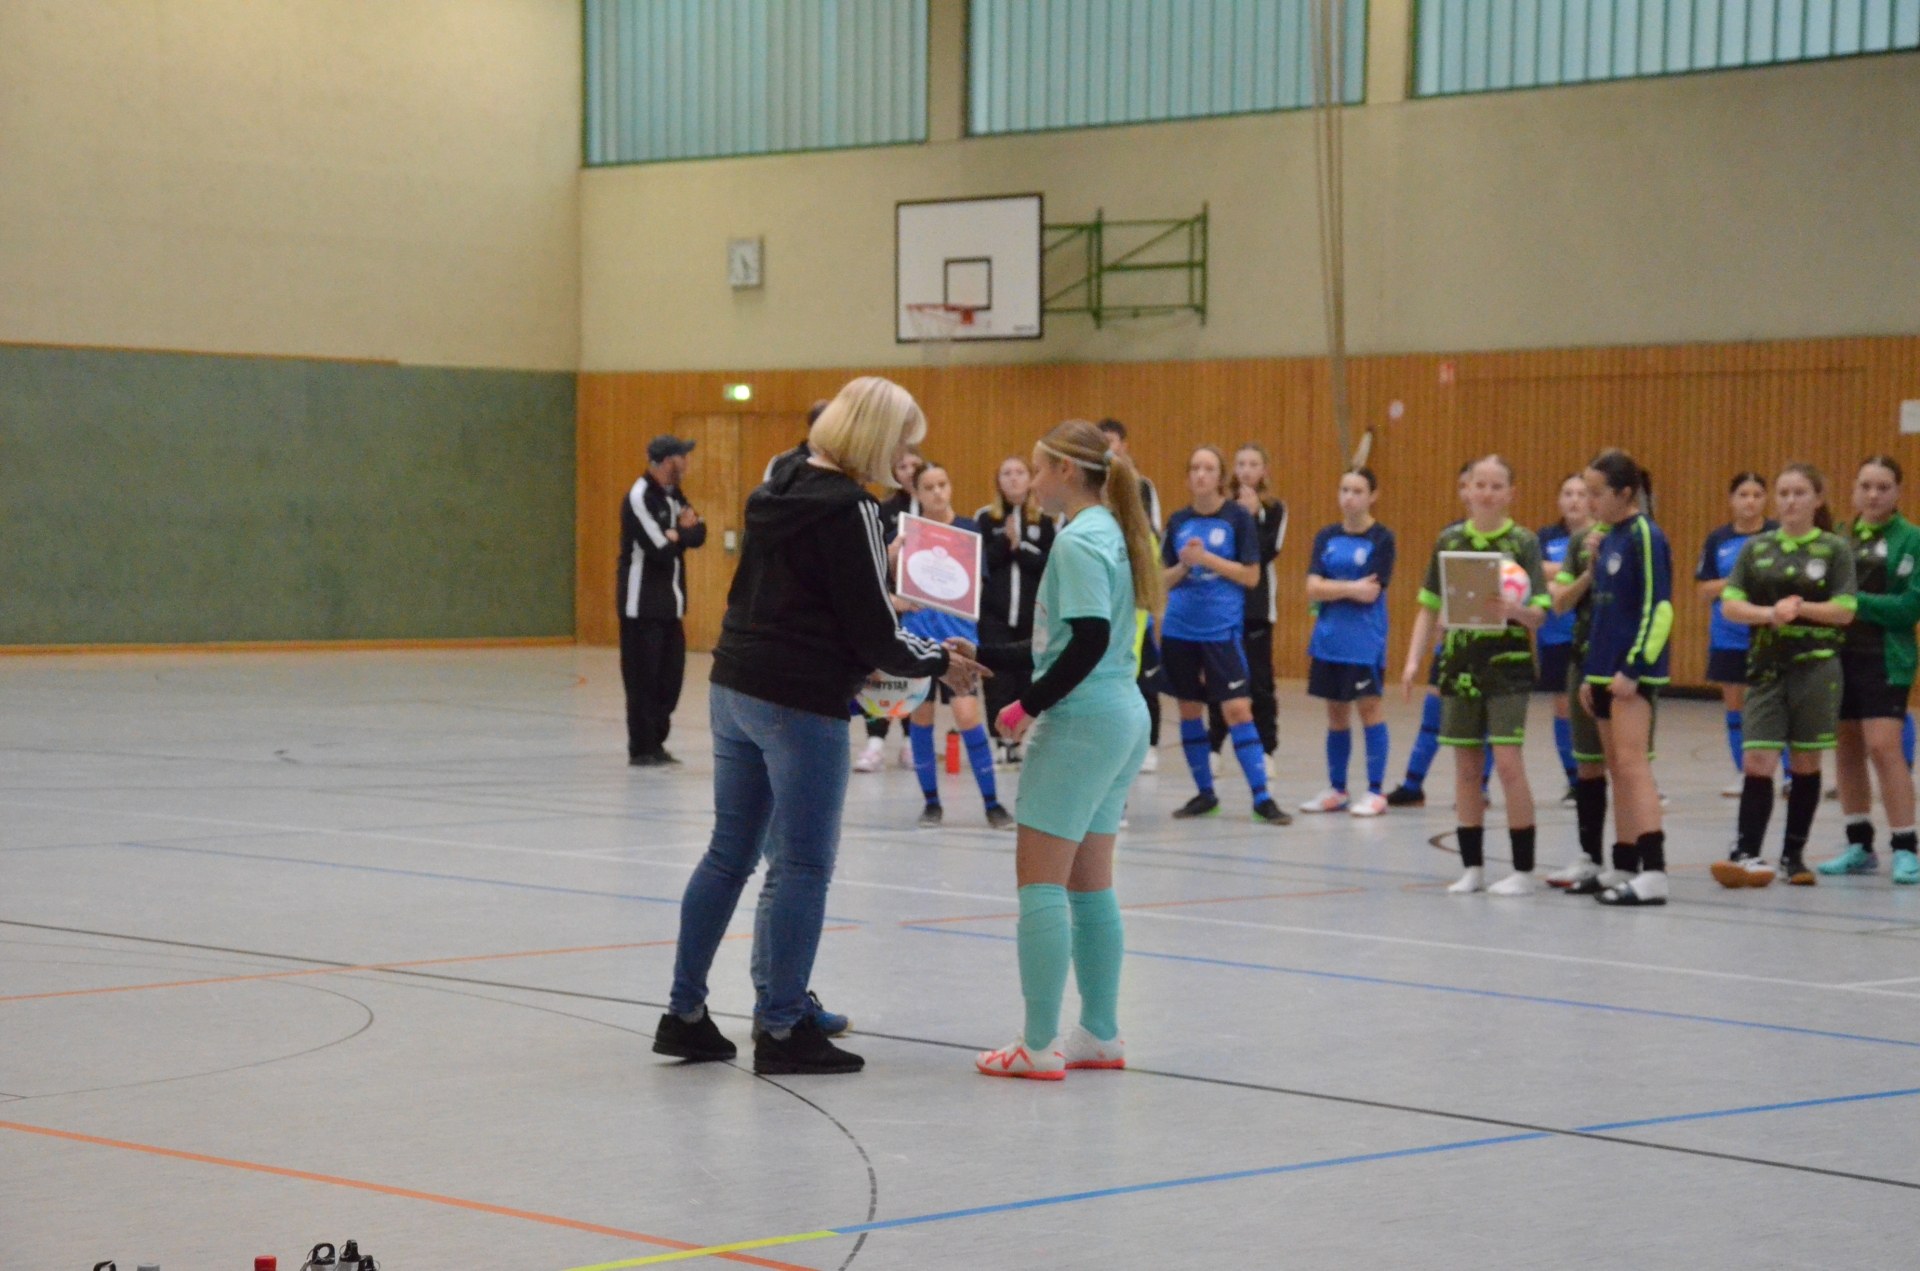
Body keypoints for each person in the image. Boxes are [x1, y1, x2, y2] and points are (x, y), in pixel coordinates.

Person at [652, 376, 985, 1075]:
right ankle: (781, 1026)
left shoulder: (778, 483)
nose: (905, 463)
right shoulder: (852, 508)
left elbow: (793, 598)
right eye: (901, 446)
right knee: (803, 864)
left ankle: (685, 1013)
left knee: (728, 855)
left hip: (734, 685)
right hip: (798, 701)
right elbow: (874, 631)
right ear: (874, 438)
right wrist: (941, 661)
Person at [972, 419, 1163, 1079]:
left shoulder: (1079, 541)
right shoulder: (1111, 531)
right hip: (1122, 715)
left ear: (1066, 472)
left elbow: (1085, 640)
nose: (1031, 481)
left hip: (1083, 724)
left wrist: (1027, 706)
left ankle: (1037, 1044)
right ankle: (1101, 1033)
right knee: (1089, 883)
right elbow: (1061, 641)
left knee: (1041, 882)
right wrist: (985, 656)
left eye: (1038, 468)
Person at [1400, 455, 1550, 894]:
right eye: (1479, 485)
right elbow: (1429, 606)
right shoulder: (1449, 540)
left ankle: (1523, 870)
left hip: (1508, 667)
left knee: (1507, 763)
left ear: (1511, 494)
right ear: (1465, 489)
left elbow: (1541, 613)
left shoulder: (1523, 543)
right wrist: (1412, 661)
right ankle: (1472, 869)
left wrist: (1516, 610)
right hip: (1460, 665)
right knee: (1466, 768)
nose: (1486, 493)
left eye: (1496, 486)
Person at [1712, 463, 1857, 889]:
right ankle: (1746, 852)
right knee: (1758, 758)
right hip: (1766, 667)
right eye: (1784, 493)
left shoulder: (1833, 549)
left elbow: (1845, 610)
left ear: (1817, 499)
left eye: (1799, 493)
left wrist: (1802, 608)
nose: (1790, 501)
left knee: (1805, 761)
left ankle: (1793, 856)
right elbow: (1730, 604)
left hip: (1816, 668)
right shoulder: (1757, 549)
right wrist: (1769, 614)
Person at [1161, 446, 1290, 824]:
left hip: (1221, 630)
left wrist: (1207, 559)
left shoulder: (1237, 518)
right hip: (1180, 630)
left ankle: (1262, 798)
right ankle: (1205, 794)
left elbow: (1251, 575)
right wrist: (1184, 565)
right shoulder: (1178, 521)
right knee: (1189, 710)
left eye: (1209, 468)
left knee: (1237, 709)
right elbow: (1161, 580)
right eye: (1195, 468)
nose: (1201, 474)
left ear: (1220, 477)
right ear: (1188, 477)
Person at [1575, 452, 1674, 907]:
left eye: (1597, 493)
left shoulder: (1645, 536)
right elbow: (1603, 612)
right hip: (1602, 671)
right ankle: (1624, 862)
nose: (1589, 502)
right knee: (1616, 768)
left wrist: (1634, 667)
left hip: (1631, 674)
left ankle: (1654, 872)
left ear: (1625, 493)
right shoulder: (1606, 538)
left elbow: (1659, 607)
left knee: (1634, 766)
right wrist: (1590, 672)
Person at [895, 461, 1015, 830]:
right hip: (917, 635)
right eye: (929, 487)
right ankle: (931, 803)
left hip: (958, 636)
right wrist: (900, 592)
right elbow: (891, 581)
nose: (937, 492)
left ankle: (992, 803)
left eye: (943, 484)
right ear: (916, 492)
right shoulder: (907, 532)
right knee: (921, 717)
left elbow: (976, 583)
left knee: (966, 715)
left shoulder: (967, 530)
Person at [1818, 457, 1920, 884]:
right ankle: (1859, 843)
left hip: (1886, 658)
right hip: (1841, 658)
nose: (1873, 494)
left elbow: (1910, 606)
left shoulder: (1911, 539)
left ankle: (1905, 846)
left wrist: (1854, 603)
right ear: (1854, 490)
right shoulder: (1840, 537)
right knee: (1846, 747)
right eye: (1866, 486)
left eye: (1883, 487)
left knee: (1882, 746)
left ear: (1898, 492)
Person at [1385, 463, 1490, 805]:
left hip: (1488, 643)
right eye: (1463, 486)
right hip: (1451, 640)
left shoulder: (1509, 538)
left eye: (1476, 485)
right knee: (1434, 709)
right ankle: (1413, 785)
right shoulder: (1451, 536)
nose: (1469, 493)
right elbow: (1436, 591)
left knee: (1482, 718)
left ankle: (1481, 787)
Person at [1299, 469, 1395, 816]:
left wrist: (1333, 588)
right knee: (1336, 713)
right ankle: (1337, 789)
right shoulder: (1327, 536)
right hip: (1329, 640)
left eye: (1357, 491)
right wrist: (1351, 587)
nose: (1349, 497)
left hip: (1365, 641)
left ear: (1373, 496)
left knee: (1369, 709)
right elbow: (1312, 588)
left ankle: (1375, 791)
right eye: (1344, 490)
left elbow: (1371, 593)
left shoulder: (1382, 539)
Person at [618, 436, 707, 767]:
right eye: (684, 456)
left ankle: (657, 742)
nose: (687, 462)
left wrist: (678, 534)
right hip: (641, 604)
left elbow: (699, 533)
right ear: (669, 461)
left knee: (670, 680)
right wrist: (680, 534)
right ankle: (641, 748)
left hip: (671, 603)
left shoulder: (675, 495)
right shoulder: (639, 496)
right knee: (643, 679)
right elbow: (659, 549)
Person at [1697, 473, 1776, 797]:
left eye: (1757, 494)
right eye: (1743, 494)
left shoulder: (1776, 535)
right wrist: (1738, 579)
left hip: (1769, 635)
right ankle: (1743, 772)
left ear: (1765, 499)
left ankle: (1786, 774)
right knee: (1735, 706)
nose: (1750, 501)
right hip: (1728, 636)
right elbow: (1704, 589)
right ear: (1732, 500)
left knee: (1775, 705)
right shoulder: (1718, 540)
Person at [1208, 444, 1288, 764]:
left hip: (1257, 608)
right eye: (1240, 464)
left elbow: (1265, 551)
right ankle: (1214, 747)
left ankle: (1266, 750)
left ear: (1264, 470)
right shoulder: (1222, 508)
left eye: (1253, 464)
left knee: (1259, 682)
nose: (1246, 470)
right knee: (1220, 679)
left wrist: (1252, 517)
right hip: (1224, 606)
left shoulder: (1275, 509)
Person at [977, 455, 1057, 764]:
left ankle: (1021, 737)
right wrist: (1004, 544)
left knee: (1027, 677)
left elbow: (1049, 564)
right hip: (994, 615)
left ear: (1030, 478)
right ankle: (1000, 741)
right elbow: (981, 563)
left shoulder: (1045, 520)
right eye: (1006, 473)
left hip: (1032, 614)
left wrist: (1020, 546)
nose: (1013, 478)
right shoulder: (986, 518)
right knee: (997, 678)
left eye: (1020, 472)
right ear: (998, 481)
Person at [853, 446, 928, 773]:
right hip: (889, 600)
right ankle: (875, 742)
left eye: (915, 465)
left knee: (916, 670)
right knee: (880, 669)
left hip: (924, 604)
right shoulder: (883, 510)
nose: (909, 471)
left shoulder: (933, 510)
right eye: (902, 466)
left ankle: (912, 742)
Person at [1098, 419, 1166, 772]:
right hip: (1102, 612)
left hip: (1134, 617)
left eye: (1113, 441)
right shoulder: (1091, 512)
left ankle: (1146, 744)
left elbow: (1151, 546)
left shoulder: (1143, 492)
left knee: (1140, 681)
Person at [1537, 474, 1594, 799]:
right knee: (1562, 706)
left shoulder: (1600, 536)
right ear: (1559, 500)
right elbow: (1533, 570)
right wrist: (1574, 572)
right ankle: (1574, 781)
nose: (1574, 500)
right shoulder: (1546, 537)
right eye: (1567, 493)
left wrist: (1557, 576)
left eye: (1581, 494)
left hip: (1592, 633)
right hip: (1556, 635)